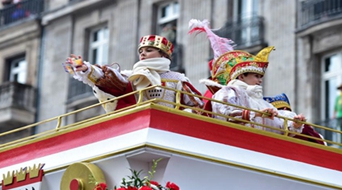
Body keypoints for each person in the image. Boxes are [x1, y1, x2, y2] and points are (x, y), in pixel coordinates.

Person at [189, 19, 305, 135]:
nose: (260, 80)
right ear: (241, 77)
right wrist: (255, 114)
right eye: (256, 76)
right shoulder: (230, 92)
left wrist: (294, 124)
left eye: (261, 77)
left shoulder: (263, 103)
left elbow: (280, 127)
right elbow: (224, 114)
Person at [64, 35, 203, 113]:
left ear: (163, 54)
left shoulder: (177, 78)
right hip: (139, 125)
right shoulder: (133, 75)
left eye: (149, 50)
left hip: (169, 127)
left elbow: (196, 105)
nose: (143, 53)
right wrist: (86, 69)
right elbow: (109, 77)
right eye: (141, 51)